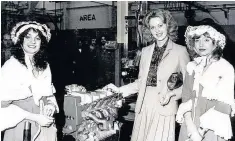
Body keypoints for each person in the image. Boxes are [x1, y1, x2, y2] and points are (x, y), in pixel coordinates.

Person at [103, 9, 190, 141]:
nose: (157, 30)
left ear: (168, 25)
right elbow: (141, 82)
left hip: (165, 106)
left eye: (160, 25)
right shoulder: (145, 51)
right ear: (149, 30)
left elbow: (189, 86)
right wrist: (119, 90)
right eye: (153, 27)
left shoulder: (180, 51)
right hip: (144, 105)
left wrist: (172, 94)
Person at [1, 21, 59, 141]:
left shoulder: (44, 66)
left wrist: (50, 104)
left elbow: (48, 94)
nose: (32, 42)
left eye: (37, 38)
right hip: (20, 125)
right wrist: (35, 117)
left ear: (42, 42)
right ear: (20, 40)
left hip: (45, 124)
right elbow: (2, 104)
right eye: (28, 37)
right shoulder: (11, 66)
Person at [176, 25, 234, 141]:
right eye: (197, 40)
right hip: (189, 126)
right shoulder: (191, 66)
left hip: (211, 128)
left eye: (206, 40)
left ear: (215, 43)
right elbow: (186, 97)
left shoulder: (225, 68)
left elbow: (223, 106)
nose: (201, 44)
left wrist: (199, 133)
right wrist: (191, 128)